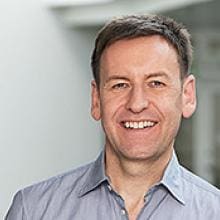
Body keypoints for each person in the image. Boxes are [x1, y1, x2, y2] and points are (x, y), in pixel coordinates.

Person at [5, 14, 220, 220]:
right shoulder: (33, 211)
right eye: (120, 85)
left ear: (187, 96)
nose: (137, 103)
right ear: (96, 99)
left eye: (156, 83)